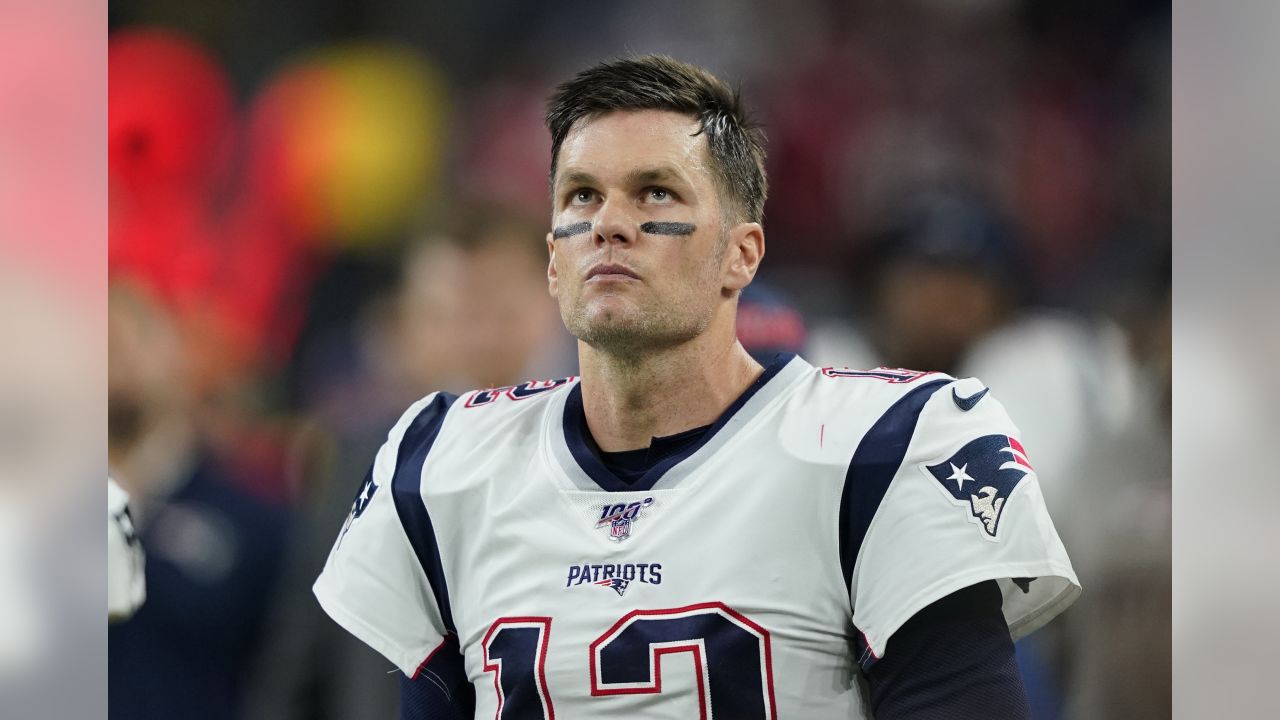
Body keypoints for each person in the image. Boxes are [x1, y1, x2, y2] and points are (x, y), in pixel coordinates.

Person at [314, 55, 1079, 719]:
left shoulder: (883, 450)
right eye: (582, 195)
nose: (609, 223)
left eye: (656, 194)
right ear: (553, 261)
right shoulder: (446, 463)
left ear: (741, 255)